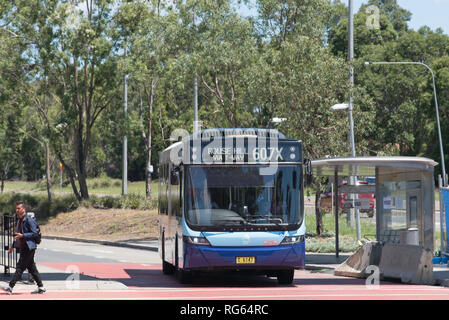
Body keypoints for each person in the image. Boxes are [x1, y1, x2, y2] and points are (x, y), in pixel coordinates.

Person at [1, 202, 46, 294]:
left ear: (23, 209)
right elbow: (18, 236)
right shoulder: (20, 220)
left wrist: (23, 235)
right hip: (24, 247)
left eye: (19, 208)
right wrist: (13, 246)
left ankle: (10, 287)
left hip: (29, 247)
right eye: (16, 208)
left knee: (20, 267)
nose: (17, 210)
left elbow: (35, 233)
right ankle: (41, 287)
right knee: (32, 268)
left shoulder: (29, 220)